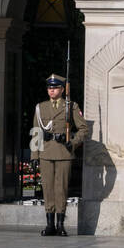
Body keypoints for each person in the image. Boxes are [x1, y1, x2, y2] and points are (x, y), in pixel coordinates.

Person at [32, 73, 84, 237]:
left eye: (55, 88)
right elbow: (36, 133)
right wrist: (34, 156)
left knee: (61, 189)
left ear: (62, 89)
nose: (51, 91)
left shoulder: (71, 107)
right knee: (47, 188)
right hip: (46, 153)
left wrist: (72, 142)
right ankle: (49, 225)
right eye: (49, 88)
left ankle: (60, 224)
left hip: (63, 152)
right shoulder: (41, 107)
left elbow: (83, 129)